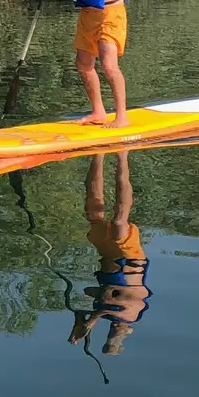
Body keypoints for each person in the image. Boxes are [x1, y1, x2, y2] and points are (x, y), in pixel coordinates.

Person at [69, 150, 151, 356]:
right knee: (118, 221)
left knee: (93, 214)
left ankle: (97, 155)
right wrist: (94, 319)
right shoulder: (133, 315)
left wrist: (80, 323)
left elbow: (92, 292)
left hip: (106, 254)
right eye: (118, 334)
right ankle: (122, 157)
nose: (115, 329)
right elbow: (117, 299)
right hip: (129, 257)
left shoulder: (104, 312)